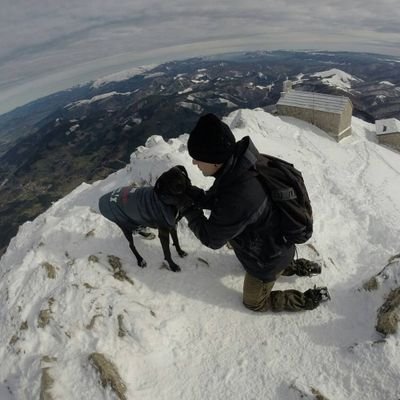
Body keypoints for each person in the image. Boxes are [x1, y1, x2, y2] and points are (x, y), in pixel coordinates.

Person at [180, 113, 329, 312]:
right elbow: (219, 201)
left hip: (266, 260)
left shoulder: (239, 194)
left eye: (197, 158)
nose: (194, 164)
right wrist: (190, 193)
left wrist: (187, 207)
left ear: (214, 160)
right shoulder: (242, 165)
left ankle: (306, 299)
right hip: (277, 245)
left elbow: (212, 238)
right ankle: (294, 266)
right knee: (276, 260)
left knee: (254, 303)